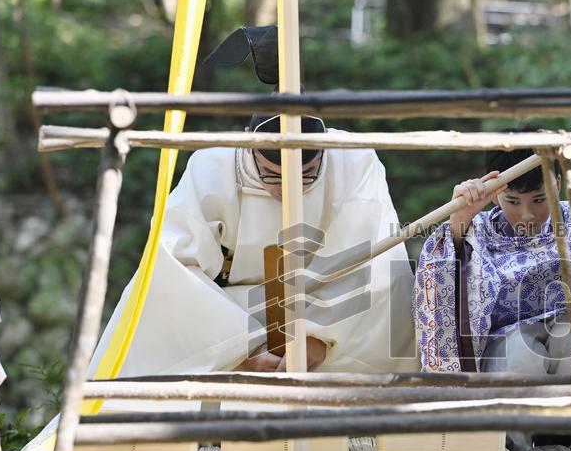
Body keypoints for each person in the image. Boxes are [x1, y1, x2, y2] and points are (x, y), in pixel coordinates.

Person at [87, 112, 417, 379]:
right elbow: (172, 263)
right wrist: (241, 347)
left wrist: (320, 338)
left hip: (334, 309)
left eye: (305, 174)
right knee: (155, 306)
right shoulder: (212, 164)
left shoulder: (354, 159)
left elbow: (373, 257)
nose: (286, 190)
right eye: (272, 175)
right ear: (251, 148)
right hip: (232, 313)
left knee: (386, 301)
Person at [414, 116, 571, 399]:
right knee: (520, 352)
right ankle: (517, 428)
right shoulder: (478, 233)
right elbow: (440, 277)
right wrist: (458, 224)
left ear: (557, 183)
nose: (527, 214)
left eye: (539, 199)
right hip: (507, 354)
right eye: (513, 201)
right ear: (495, 194)